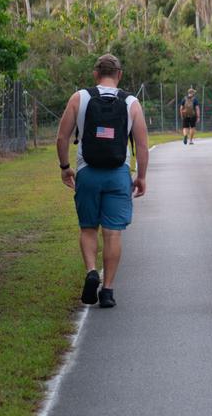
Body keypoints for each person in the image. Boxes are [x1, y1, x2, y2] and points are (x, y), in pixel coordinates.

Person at [55, 54, 149, 308]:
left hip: (87, 172)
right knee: (112, 233)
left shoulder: (79, 98)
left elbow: (62, 138)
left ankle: (91, 271)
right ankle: (107, 290)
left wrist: (65, 168)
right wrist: (140, 177)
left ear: (95, 74)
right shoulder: (131, 103)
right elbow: (141, 145)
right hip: (118, 174)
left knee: (88, 228)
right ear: (119, 74)